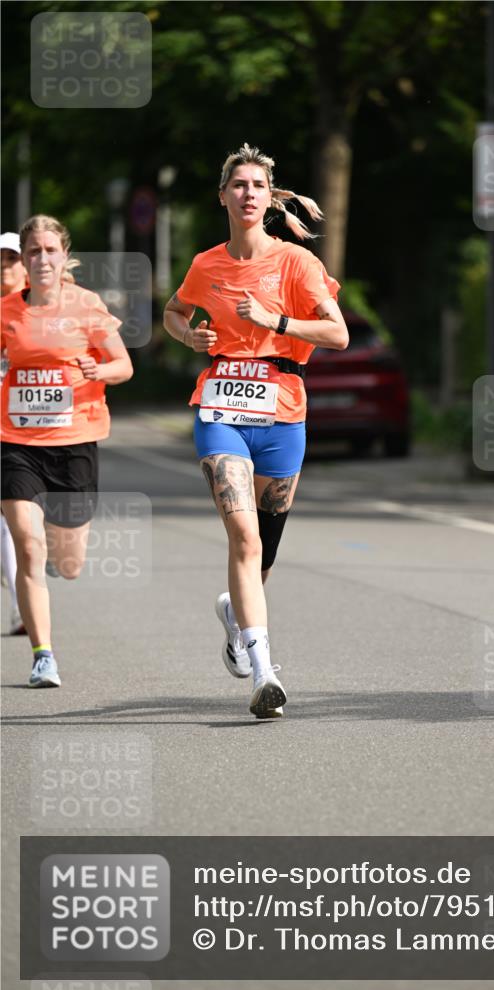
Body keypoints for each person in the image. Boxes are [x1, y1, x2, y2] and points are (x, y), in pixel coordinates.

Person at [164, 143, 348, 720]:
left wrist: (278, 321)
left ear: (270, 199)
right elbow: (173, 310)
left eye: (257, 187)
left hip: (282, 414)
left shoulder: (296, 262)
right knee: (242, 539)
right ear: (223, 195)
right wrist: (187, 336)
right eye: (238, 185)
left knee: (261, 556)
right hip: (219, 409)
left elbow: (337, 333)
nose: (247, 194)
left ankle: (234, 615)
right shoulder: (205, 264)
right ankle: (265, 673)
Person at [0, 215, 133, 687]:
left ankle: (60, 554)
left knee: (68, 565)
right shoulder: (7, 311)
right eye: (32, 251)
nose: (40, 259)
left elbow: (123, 364)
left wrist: (99, 373)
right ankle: (43, 655)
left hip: (74, 442)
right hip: (16, 444)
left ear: (64, 255)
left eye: (49, 251)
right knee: (28, 547)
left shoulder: (86, 306)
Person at [1, 232, 29, 635]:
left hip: (36, 424)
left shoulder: (46, 305)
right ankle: (22, 605)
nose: (5, 268)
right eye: (0, 260)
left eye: (12, 260)